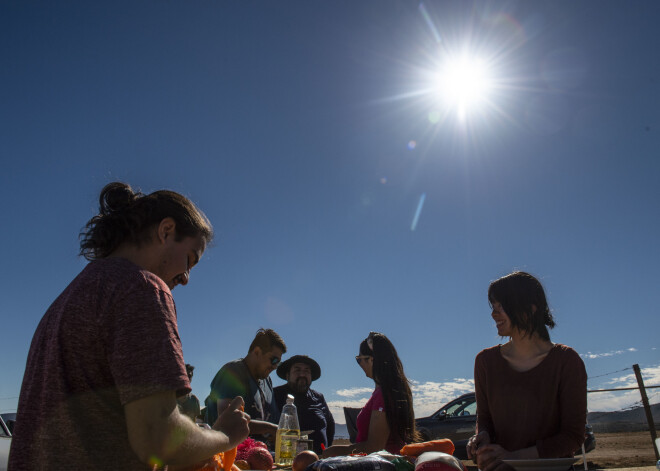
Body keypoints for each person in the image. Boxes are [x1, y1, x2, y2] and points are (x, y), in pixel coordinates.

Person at [8, 182, 250, 470]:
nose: (186, 278)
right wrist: (224, 435)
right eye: (190, 259)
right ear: (166, 230)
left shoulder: (67, 299)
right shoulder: (143, 288)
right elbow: (156, 438)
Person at [466, 271, 587, 471]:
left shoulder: (567, 361)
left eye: (501, 306)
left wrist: (513, 458)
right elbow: (485, 418)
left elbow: (573, 436)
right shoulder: (485, 362)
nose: (493, 314)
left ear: (530, 309)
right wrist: (482, 437)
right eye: (493, 306)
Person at [323, 332, 419, 457]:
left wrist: (334, 452)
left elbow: (374, 447)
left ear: (372, 359)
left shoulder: (383, 394)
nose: (360, 365)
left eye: (359, 360)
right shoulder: (391, 391)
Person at [204, 328, 286, 443]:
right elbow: (229, 421)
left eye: (278, 363)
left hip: (260, 453)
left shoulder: (267, 381)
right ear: (257, 352)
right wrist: (270, 428)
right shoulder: (233, 372)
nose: (275, 366)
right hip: (226, 452)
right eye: (273, 360)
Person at [274, 355, 335, 454]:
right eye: (297, 370)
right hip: (286, 462)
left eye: (307, 371)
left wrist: (326, 450)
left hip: (319, 463)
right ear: (287, 375)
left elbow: (330, 426)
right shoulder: (275, 395)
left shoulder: (318, 397)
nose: (302, 374)